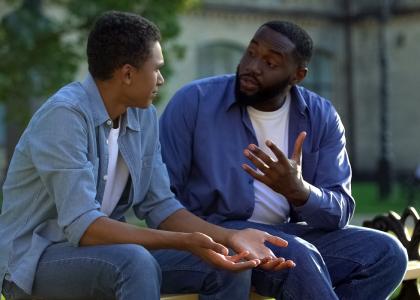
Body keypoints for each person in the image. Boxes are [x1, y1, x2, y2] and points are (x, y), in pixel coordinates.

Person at [0, 11, 295, 300]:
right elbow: (85, 227)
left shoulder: (143, 117)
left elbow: (161, 206)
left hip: (103, 254)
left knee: (228, 264)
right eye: (156, 68)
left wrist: (230, 237)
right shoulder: (64, 116)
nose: (161, 79)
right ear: (127, 73)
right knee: (134, 262)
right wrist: (184, 242)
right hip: (35, 261)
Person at [159, 20, 408, 299]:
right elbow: (161, 201)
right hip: (216, 234)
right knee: (297, 253)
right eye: (251, 53)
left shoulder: (320, 116)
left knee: (388, 253)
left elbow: (340, 210)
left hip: (286, 235)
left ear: (297, 75)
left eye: (270, 62)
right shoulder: (194, 102)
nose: (253, 66)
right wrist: (218, 236)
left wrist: (300, 191)